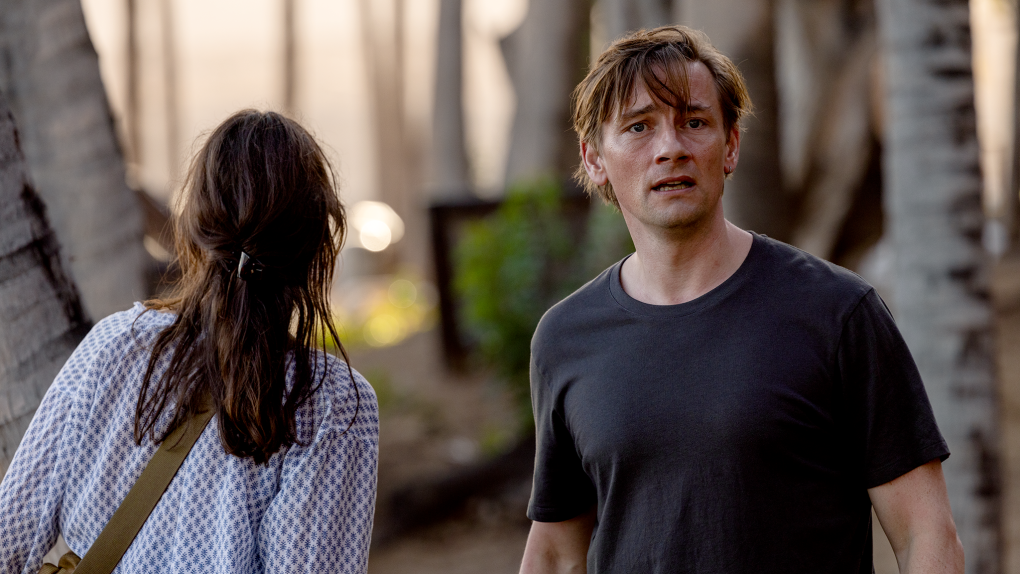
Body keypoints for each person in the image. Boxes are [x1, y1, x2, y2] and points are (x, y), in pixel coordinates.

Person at [519, 26, 964, 574]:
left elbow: (926, 534)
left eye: (694, 122)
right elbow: (555, 553)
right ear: (594, 159)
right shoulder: (566, 338)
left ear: (729, 146)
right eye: (639, 127)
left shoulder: (836, 314)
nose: (671, 148)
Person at [0, 110, 378, 573]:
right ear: (316, 245)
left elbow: (9, 538)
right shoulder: (332, 404)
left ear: (197, 228)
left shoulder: (115, 346)